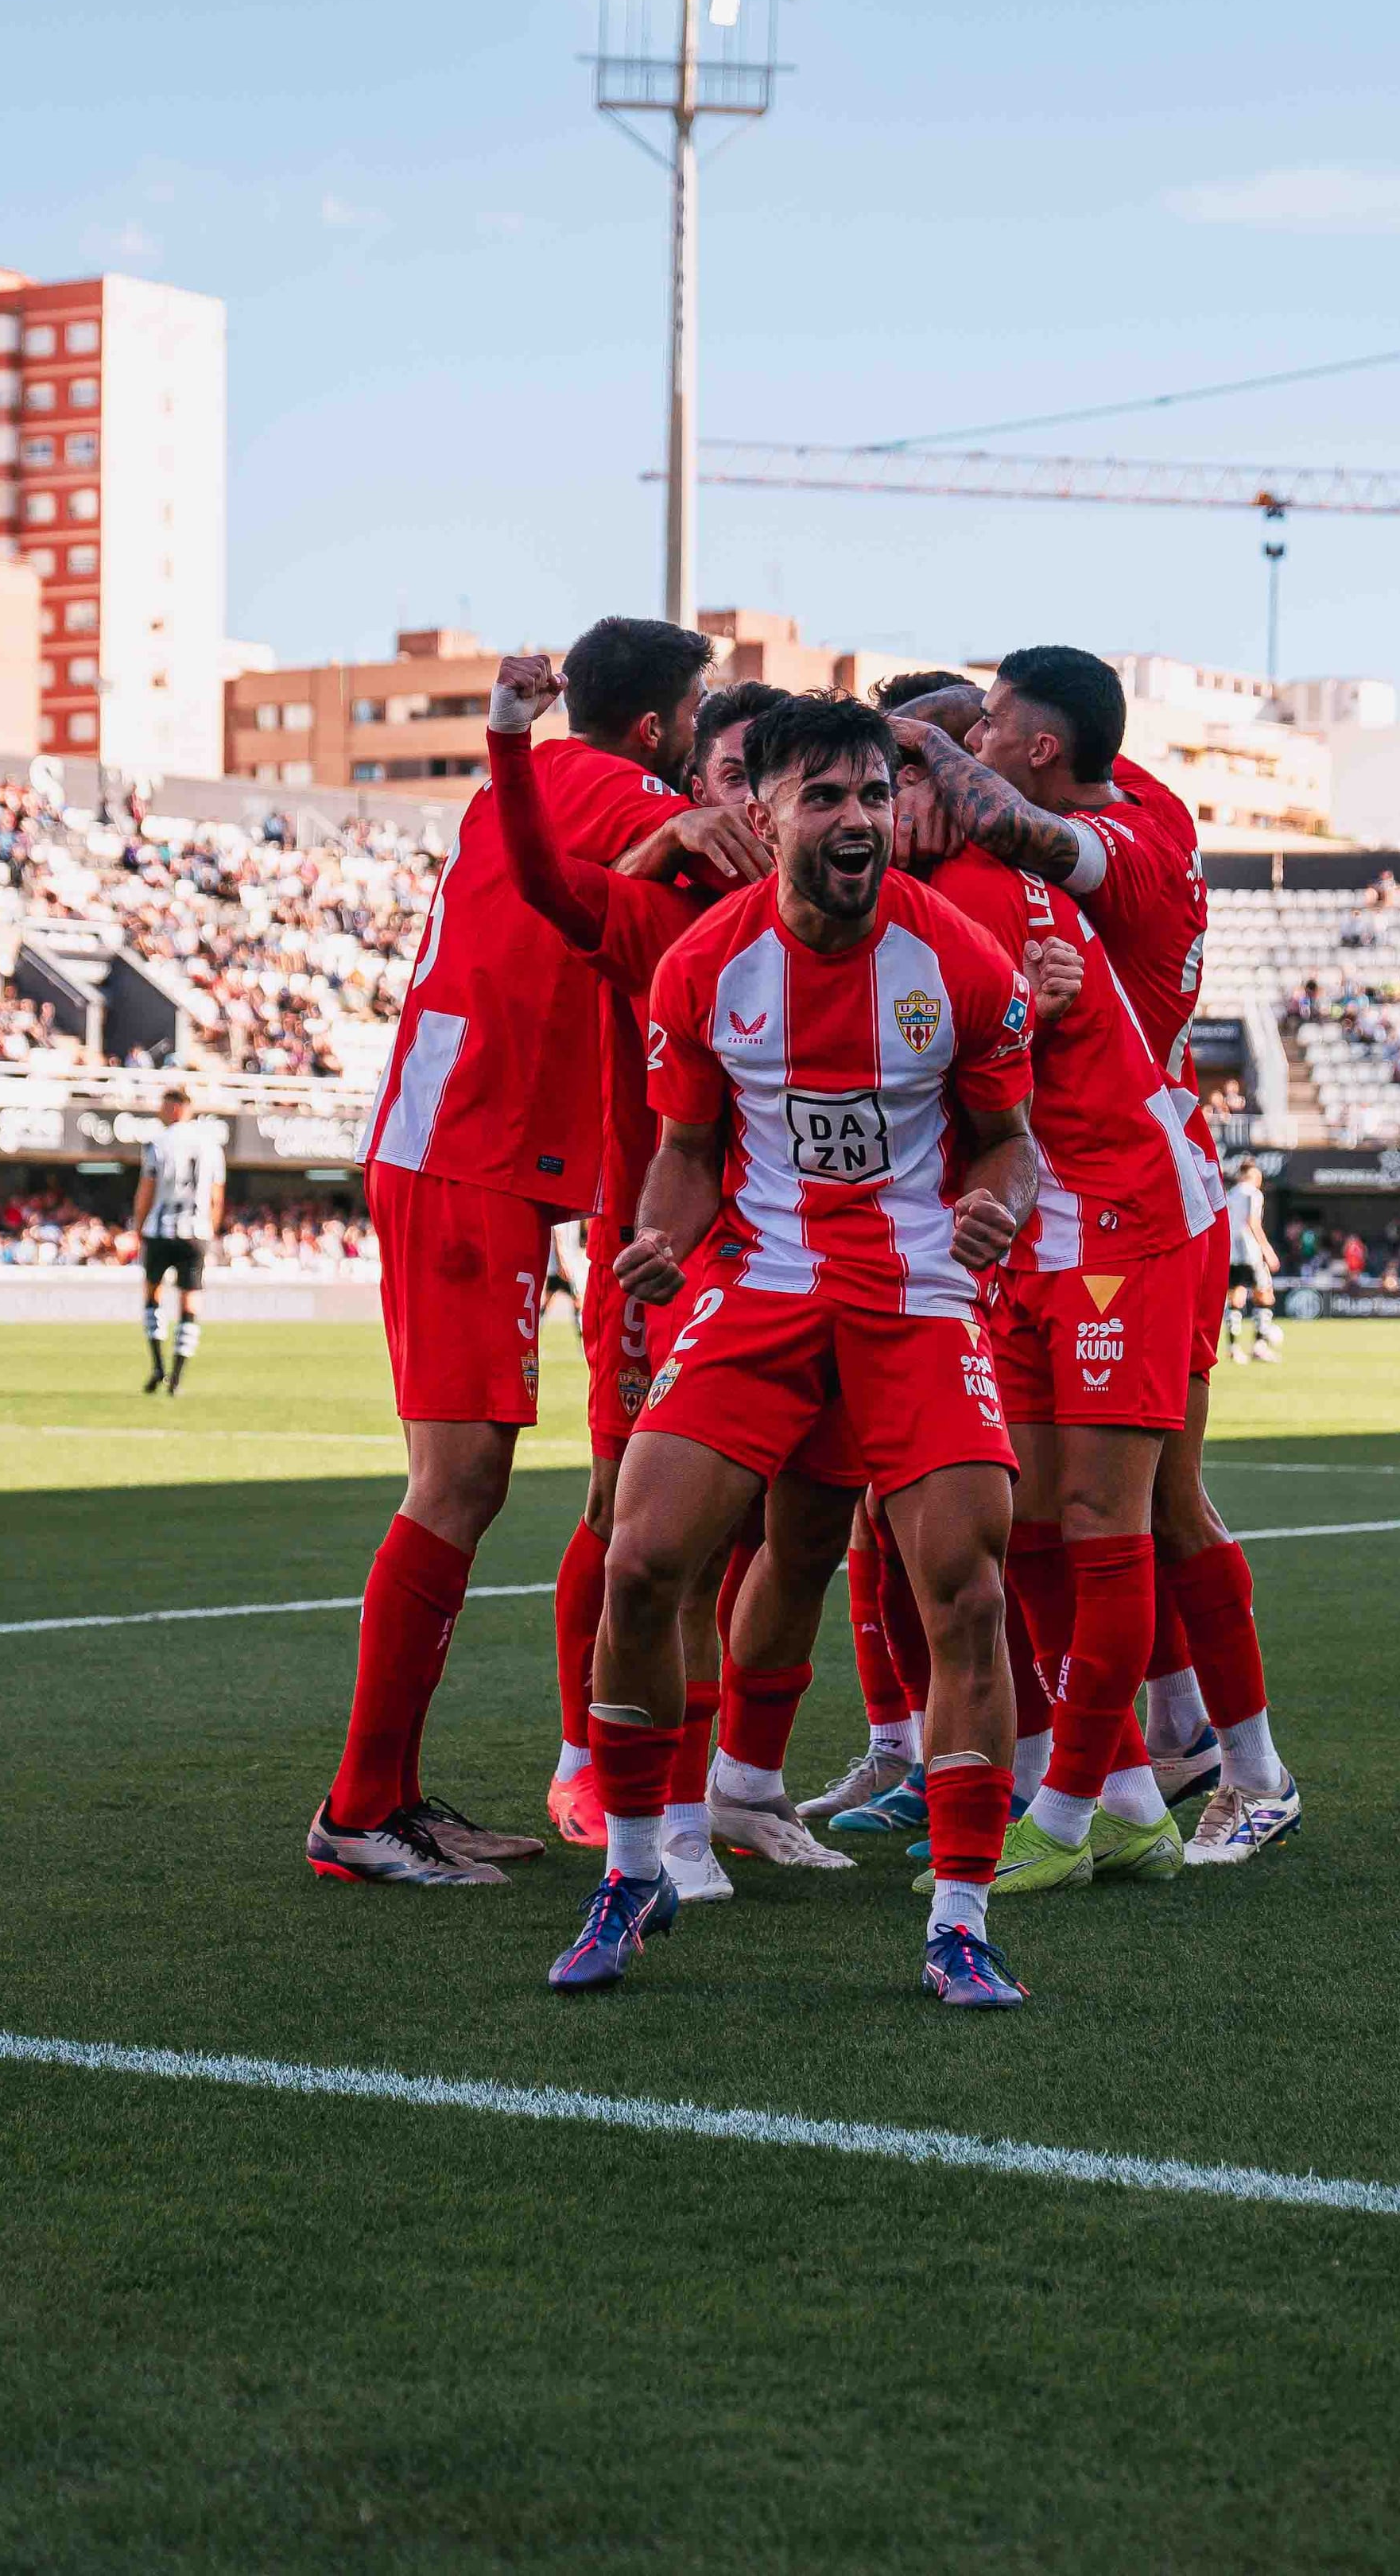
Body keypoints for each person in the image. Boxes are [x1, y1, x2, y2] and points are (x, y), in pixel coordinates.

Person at [547, 692, 1044, 2004]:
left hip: (918, 1290)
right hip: (761, 1283)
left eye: (873, 794)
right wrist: (658, 1239)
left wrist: (1002, 1199)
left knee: (968, 1585)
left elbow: (1007, 1133)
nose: (855, 819)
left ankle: (960, 1917)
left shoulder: (964, 965)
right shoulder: (705, 965)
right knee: (644, 1557)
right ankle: (636, 1868)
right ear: (759, 810)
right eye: (822, 795)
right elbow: (690, 1156)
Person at [309, 614, 764, 1888]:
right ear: (660, 726)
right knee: (456, 1483)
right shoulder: (601, 781)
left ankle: (387, 1793)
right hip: (467, 1144)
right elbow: (605, 873)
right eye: (705, 715)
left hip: (473, 1143)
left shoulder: (554, 785)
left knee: (471, 1482)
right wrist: (676, 825)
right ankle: (359, 1808)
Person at [915, 649, 1300, 1868]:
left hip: (1131, 1204)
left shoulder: (1119, 847)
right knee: (1049, 1508)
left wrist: (915, 749)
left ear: (1038, 752)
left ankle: (1131, 1796)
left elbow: (1007, 817)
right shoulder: (1104, 791)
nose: (970, 738)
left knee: (1120, 1511)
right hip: (1076, 1196)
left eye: (990, 725)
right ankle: (1150, 1776)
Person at [488, 660, 844, 1891]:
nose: (752, 801)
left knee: (799, 1535)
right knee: (639, 1529)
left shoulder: (865, 914)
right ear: (694, 787)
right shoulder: (665, 909)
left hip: (823, 1270)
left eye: (771, 778)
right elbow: (540, 879)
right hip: (668, 1260)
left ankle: (741, 1785)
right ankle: (603, 1767)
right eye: (729, 774)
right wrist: (510, 740)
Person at [889, 715, 1222, 1892]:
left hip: (1112, 1215)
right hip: (1038, 1222)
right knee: (1025, 1518)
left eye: (897, 785)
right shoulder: (965, 878)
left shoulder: (980, 881)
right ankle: (1126, 1792)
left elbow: (942, 1069)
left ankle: (1074, 1815)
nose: (882, 810)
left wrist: (1025, 1004)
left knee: (1101, 1520)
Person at [131, 1084, 227, 1395]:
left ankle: (158, 1365)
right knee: (190, 1302)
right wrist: (209, 1231)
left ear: (175, 1107)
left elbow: (146, 1191)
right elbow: (216, 1197)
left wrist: (138, 1226)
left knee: (153, 1296)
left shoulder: (158, 1143)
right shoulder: (211, 1146)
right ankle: (177, 1377)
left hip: (160, 1230)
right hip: (195, 1233)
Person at [1223, 1156, 1285, 1364]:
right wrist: (1268, 1251)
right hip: (1249, 1253)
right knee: (1265, 1295)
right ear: (1253, 1176)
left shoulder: (1230, 1195)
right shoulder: (1254, 1194)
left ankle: (1232, 1347)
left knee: (1236, 1298)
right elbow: (1253, 1222)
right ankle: (1259, 1346)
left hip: (1230, 1254)